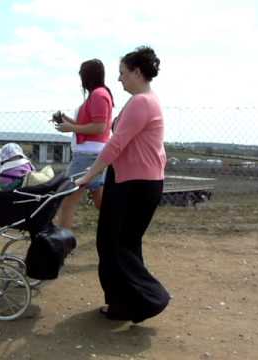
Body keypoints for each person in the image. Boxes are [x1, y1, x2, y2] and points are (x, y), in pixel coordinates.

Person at [76, 46, 170, 323]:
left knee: (114, 245)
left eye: (123, 73)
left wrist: (89, 175)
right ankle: (126, 304)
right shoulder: (143, 100)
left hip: (135, 185)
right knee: (122, 244)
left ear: (138, 72)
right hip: (134, 181)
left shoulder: (143, 102)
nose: (119, 79)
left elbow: (115, 144)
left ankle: (152, 298)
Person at [54, 58, 114, 229]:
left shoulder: (98, 95)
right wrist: (67, 120)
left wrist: (70, 128)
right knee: (99, 200)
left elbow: (99, 127)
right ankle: (118, 229)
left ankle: (61, 241)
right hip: (94, 153)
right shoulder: (100, 94)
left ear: (87, 75)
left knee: (67, 199)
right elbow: (91, 125)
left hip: (87, 155)